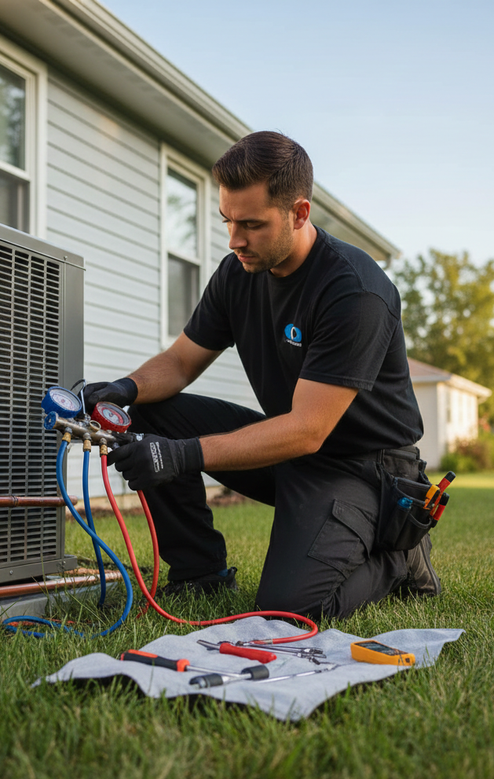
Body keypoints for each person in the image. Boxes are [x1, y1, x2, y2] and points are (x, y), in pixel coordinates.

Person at [84, 131, 441, 620]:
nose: (234, 240)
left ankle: (398, 557)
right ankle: (199, 574)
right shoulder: (238, 273)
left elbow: (309, 429)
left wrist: (180, 456)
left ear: (299, 213)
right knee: (151, 410)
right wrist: (123, 389)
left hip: (365, 470)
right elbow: (181, 362)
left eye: (251, 224)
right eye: (228, 221)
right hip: (291, 449)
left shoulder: (353, 291)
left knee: (290, 608)